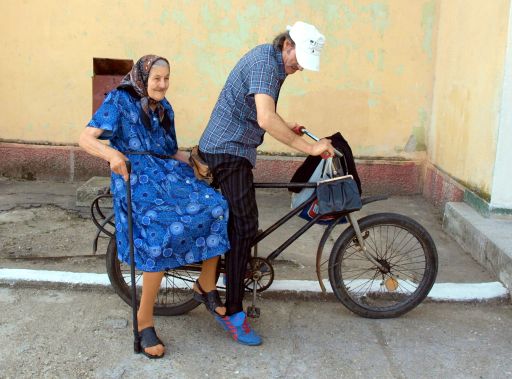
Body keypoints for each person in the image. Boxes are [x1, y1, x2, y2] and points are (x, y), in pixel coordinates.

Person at [79, 55, 230, 359]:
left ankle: (205, 283)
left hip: (165, 175)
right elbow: (85, 137)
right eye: (156, 78)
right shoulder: (119, 101)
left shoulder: (164, 108)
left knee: (216, 205)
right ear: (143, 77)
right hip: (133, 175)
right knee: (158, 229)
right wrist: (112, 156)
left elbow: (169, 150)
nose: (162, 84)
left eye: (166, 78)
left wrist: (194, 162)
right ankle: (144, 319)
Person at [198, 21, 334, 346]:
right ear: (286, 44)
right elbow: (264, 119)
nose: (298, 67)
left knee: (235, 224)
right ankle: (232, 311)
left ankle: (207, 282)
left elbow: (261, 108)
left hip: (234, 147)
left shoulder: (272, 63)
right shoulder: (264, 63)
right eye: (297, 59)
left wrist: (287, 124)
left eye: (302, 63)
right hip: (226, 151)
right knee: (245, 227)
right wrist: (312, 148)